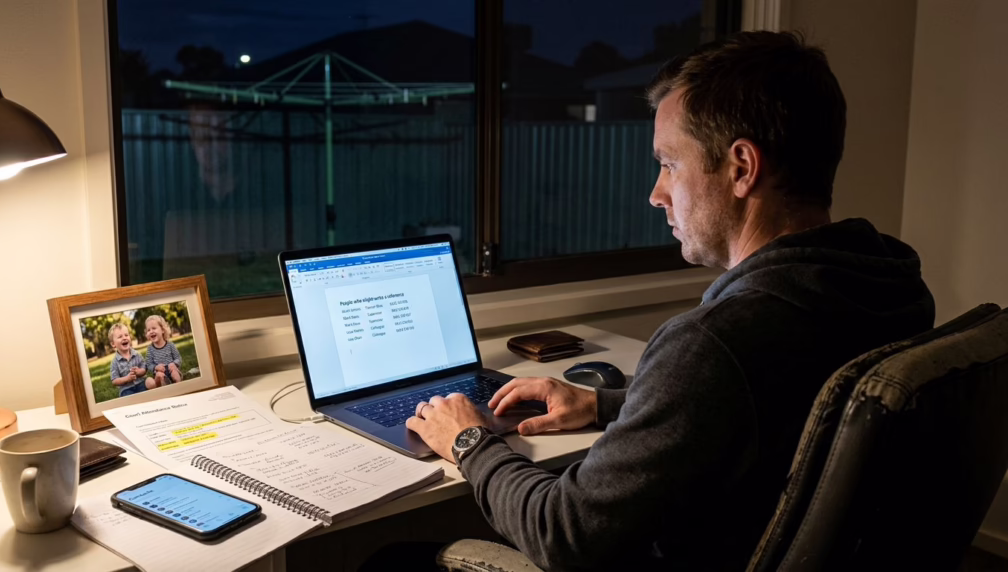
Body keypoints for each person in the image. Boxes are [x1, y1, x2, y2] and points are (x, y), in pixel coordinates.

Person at [396, 31, 936, 571]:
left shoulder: (714, 342)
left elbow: (564, 534)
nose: (657, 194)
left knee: (395, 560)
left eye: (670, 164)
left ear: (742, 168)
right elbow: (759, 412)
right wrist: (605, 404)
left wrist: (468, 442)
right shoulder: (888, 284)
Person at [107, 323, 147, 398]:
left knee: (146, 392)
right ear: (113, 344)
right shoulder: (115, 362)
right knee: (128, 396)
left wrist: (139, 372)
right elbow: (114, 381)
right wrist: (127, 379)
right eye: (120, 337)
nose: (124, 338)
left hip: (141, 383)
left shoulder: (136, 354)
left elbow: (144, 368)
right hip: (126, 389)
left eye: (126, 335)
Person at [144, 314, 183, 388]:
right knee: (157, 376)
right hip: (160, 373)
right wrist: (155, 367)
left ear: (162, 330)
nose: (151, 331)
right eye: (148, 330)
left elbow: (178, 358)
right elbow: (149, 364)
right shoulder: (150, 349)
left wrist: (174, 364)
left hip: (171, 370)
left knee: (174, 373)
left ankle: (178, 385)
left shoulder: (170, 345)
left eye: (154, 328)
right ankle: (164, 385)